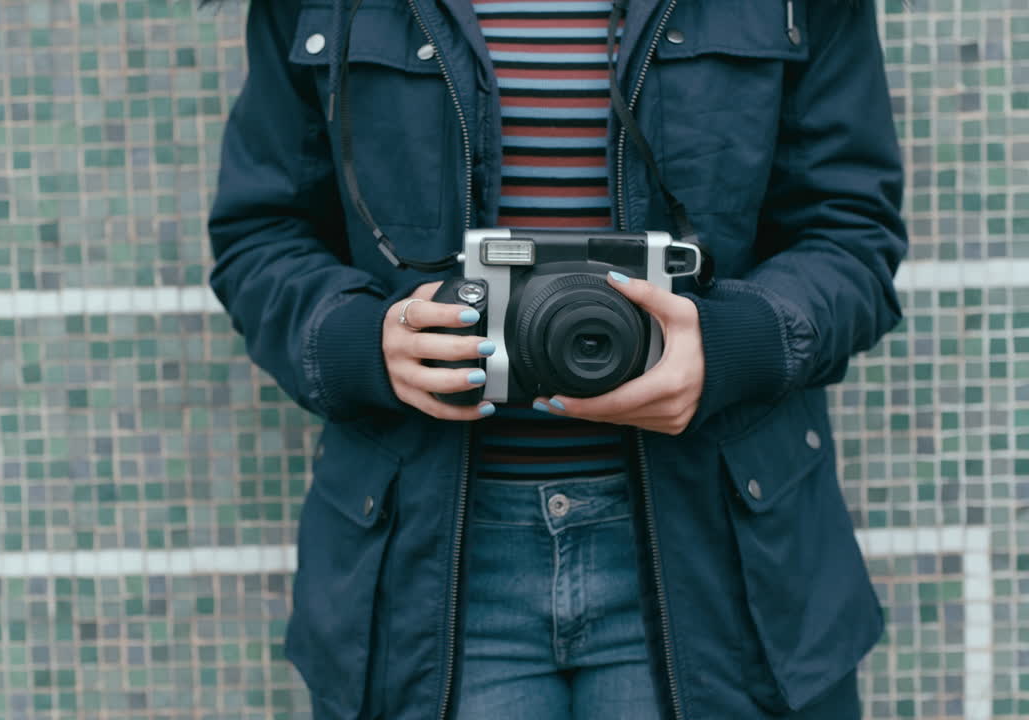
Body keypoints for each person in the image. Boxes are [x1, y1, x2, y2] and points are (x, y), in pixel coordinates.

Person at [209, 0, 906, 717]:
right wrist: (363, 342)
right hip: (426, 568)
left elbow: (851, 233)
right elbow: (261, 235)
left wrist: (735, 345)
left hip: (723, 559)